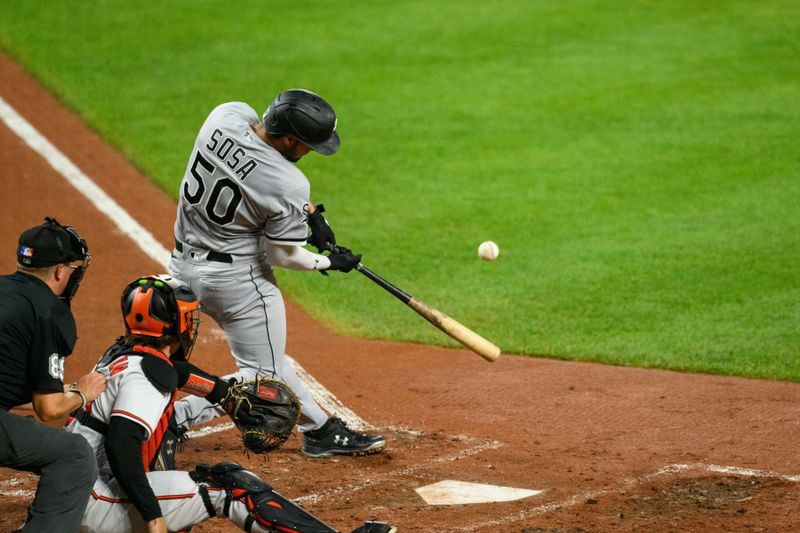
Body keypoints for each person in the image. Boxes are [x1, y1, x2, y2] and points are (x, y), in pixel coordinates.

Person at [66, 274, 395, 533]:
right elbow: (121, 445)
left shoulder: (122, 354)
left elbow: (176, 372)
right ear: (175, 324)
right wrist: (153, 517)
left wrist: (222, 393)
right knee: (231, 486)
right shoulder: (149, 376)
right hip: (98, 504)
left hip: (72, 494)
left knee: (166, 438)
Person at [170, 88, 386, 457]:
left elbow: (255, 173)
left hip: (181, 267)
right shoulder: (288, 182)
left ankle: (320, 429)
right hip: (238, 283)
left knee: (268, 355)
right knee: (262, 378)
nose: (309, 153)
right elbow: (284, 255)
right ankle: (175, 418)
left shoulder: (225, 115)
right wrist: (330, 262)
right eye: (306, 145)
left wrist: (311, 214)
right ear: (289, 139)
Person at [0, 217, 107, 532]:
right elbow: (48, 411)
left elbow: (11, 387)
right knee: (73, 454)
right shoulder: (49, 310)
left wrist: (65, 389)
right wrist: (83, 392)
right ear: (61, 271)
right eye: (74, 268)